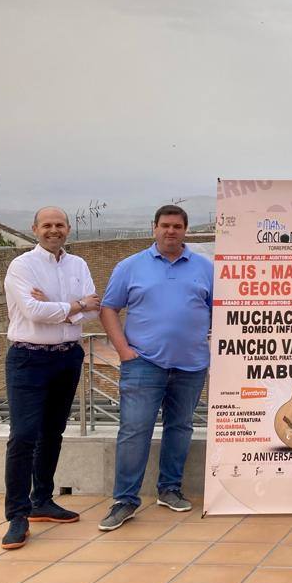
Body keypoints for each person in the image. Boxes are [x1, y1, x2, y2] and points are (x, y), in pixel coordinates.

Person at [97, 205, 213, 531]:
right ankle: (124, 501)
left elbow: (218, 312)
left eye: (177, 226)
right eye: (165, 226)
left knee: (180, 427)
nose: (170, 231)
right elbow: (109, 309)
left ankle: (170, 489)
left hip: (191, 366)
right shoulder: (130, 266)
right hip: (143, 363)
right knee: (134, 430)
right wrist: (123, 350)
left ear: (185, 230)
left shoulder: (206, 268)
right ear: (154, 228)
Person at [0, 207, 100, 549]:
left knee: (52, 432)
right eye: (47, 225)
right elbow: (33, 312)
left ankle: (41, 500)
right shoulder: (22, 266)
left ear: (68, 229)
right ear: (35, 229)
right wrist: (74, 306)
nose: (53, 230)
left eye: (59, 225)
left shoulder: (79, 265)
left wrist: (59, 307)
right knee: (24, 436)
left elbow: (94, 309)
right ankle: (17, 514)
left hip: (67, 358)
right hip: (28, 358)